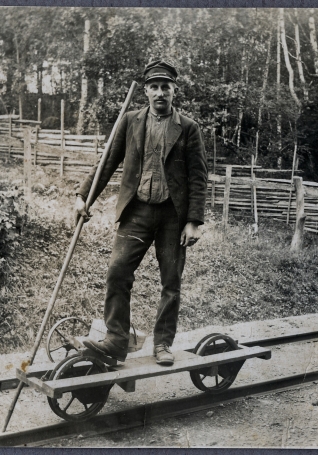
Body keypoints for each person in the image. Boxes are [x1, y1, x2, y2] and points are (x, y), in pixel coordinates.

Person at [75, 60, 208, 366]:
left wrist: (194, 221)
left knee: (170, 282)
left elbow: (199, 177)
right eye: (154, 87)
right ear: (146, 91)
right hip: (136, 212)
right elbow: (107, 161)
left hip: (173, 218)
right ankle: (116, 340)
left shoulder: (188, 128)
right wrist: (84, 196)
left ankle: (162, 344)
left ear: (174, 91)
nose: (160, 93)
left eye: (166, 87)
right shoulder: (130, 121)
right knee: (117, 272)